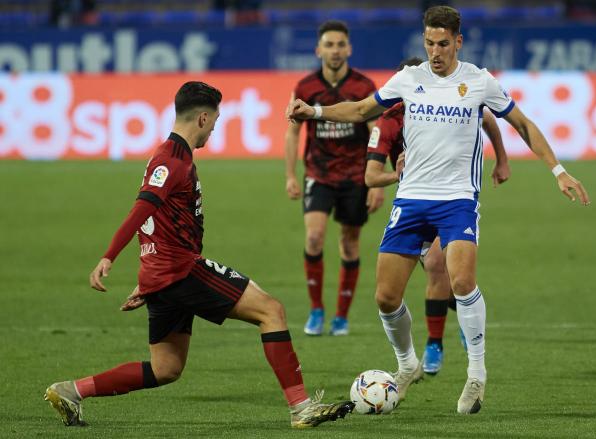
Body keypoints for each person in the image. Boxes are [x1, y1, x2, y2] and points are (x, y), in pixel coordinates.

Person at [286, 5, 589, 414]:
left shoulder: (479, 81)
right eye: (429, 43)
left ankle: (476, 374)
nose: (435, 51)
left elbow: (522, 124)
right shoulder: (408, 80)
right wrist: (315, 111)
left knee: (461, 281)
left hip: (457, 200)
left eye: (443, 43)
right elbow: (360, 110)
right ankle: (407, 363)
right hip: (411, 200)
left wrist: (558, 170)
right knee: (385, 297)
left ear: (458, 42)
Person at [44, 81, 354, 429]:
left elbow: (157, 220)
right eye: (216, 120)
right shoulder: (171, 160)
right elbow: (141, 211)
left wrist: (148, 280)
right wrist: (109, 257)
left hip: (162, 274)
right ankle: (301, 407)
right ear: (203, 118)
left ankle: (71, 390)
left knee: (166, 369)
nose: (215, 128)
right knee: (272, 311)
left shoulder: (169, 156)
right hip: (180, 270)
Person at [365, 57, 511, 376]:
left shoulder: (450, 102)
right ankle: (461, 317)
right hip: (414, 202)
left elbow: (485, 119)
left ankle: (435, 344)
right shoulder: (389, 122)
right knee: (426, 280)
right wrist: (397, 174)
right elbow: (370, 176)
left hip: (452, 196)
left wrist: (501, 158)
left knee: (436, 265)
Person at [284, 20, 384, 337]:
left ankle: (341, 316)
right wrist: (290, 175)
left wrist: (376, 179)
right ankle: (316, 310)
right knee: (313, 238)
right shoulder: (305, 88)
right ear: (318, 50)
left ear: (349, 48)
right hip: (319, 173)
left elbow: (377, 132)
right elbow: (293, 131)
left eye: (340, 44)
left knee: (349, 244)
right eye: (329, 44)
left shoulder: (364, 87)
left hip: (355, 176)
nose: (335, 50)